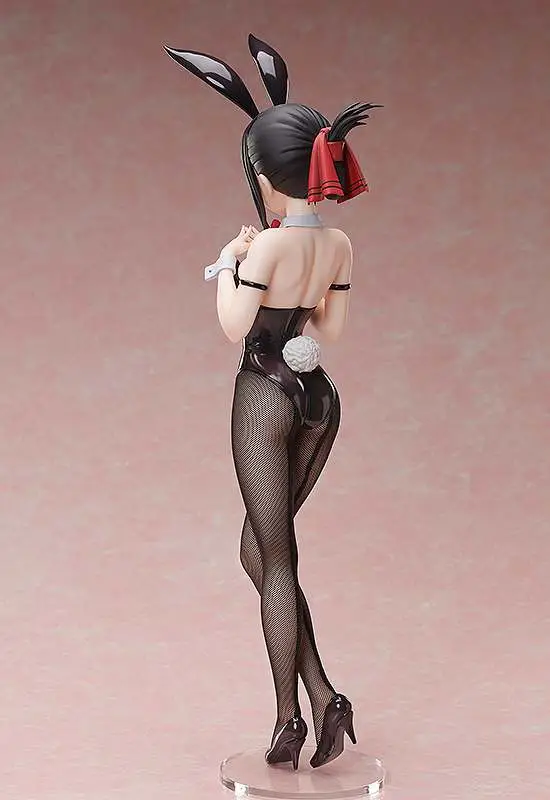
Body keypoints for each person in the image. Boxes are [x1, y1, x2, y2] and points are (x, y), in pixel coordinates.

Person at [164, 34, 381, 770]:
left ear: (264, 174)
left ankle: (289, 718)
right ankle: (326, 697)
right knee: (258, 550)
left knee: (274, 559)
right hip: (318, 396)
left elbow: (234, 325)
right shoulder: (338, 245)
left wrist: (231, 261)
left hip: (263, 393)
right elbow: (330, 329)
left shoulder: (266, 248)